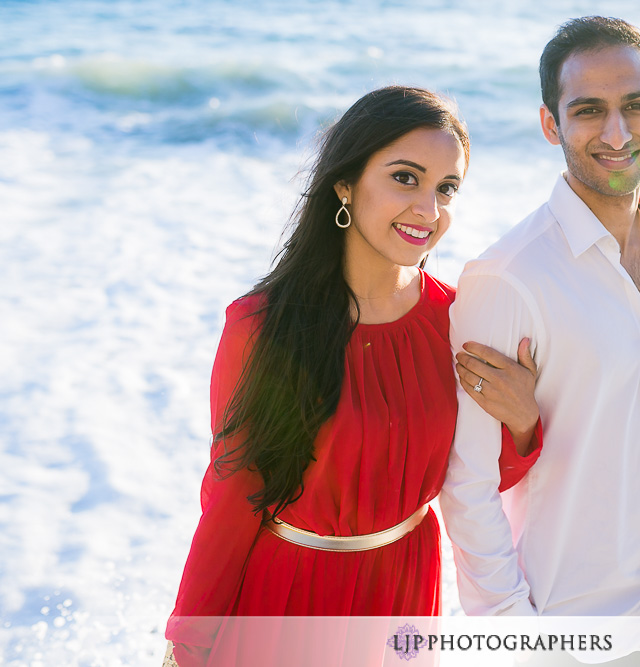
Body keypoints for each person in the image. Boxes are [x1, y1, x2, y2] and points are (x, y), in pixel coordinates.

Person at [164, 86, 543, 667]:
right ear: (344, 184)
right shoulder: (260, 326)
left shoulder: (456, 319)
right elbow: (231, 498)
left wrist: (522, 424)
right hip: (284, 598)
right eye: (405, 178)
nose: (429, 210)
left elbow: (474, 479)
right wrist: (188, 644)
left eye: (446, 189)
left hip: (403, 596)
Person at [441, 17, 640, 666]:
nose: (617, 132)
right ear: (551, 125)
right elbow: (468, 481)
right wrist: (517, 634)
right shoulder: (507, 277)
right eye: (589, 111)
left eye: (635, 106)